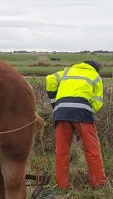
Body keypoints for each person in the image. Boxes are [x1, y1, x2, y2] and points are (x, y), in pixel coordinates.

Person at [45, 60, 106, 190]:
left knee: (62, 150)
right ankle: (98, 183)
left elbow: (50, 80)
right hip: (82, 111)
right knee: (92, 149)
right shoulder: (95, 76)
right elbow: (98, 101)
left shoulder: (67, 71)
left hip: (61, 111)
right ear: (95, 69)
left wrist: (55, 103)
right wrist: (89, 111)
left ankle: (62, 185)